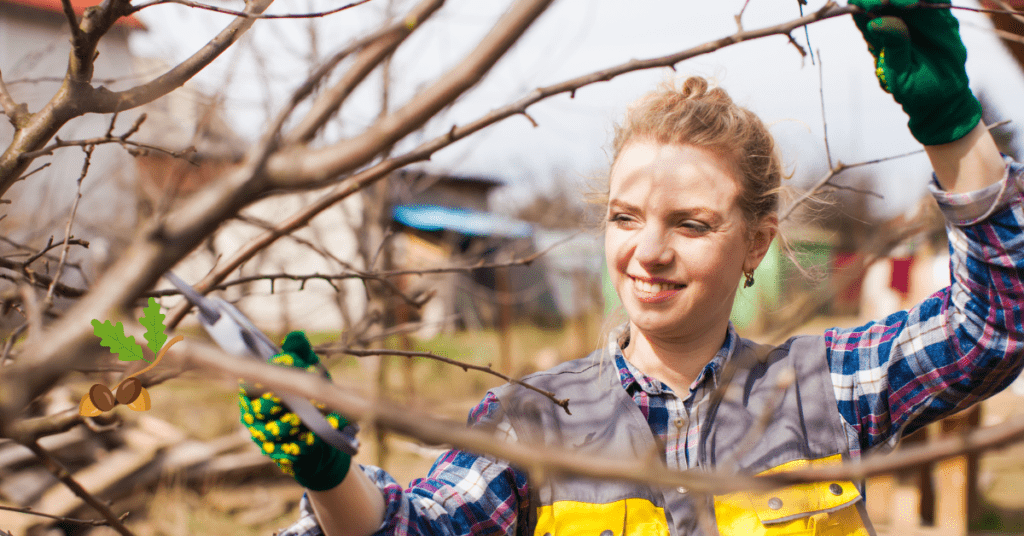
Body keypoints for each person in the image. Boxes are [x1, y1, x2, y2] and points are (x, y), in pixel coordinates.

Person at [240, 1, 1024, 534]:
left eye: (690, 224)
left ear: (756, 244)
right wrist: (328, 472)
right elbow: (421, 528)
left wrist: (953, 126)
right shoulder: (535, 419)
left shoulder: (826, 388)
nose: (647, 252)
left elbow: (988, 332)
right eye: (625, 218)